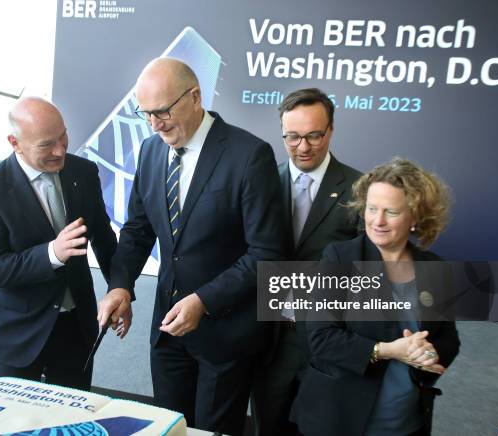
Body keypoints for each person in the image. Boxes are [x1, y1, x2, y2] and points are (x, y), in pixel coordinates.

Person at [97, 57, 285, 435]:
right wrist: (120, 285)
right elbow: (137, 229)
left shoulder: (249, 155)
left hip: (226, 334)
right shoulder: (151, 151)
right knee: (168, 426)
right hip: (167, 331)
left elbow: (267, 254)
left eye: (163, 111)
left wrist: (204, 301)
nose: (155, 123)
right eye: (146, 113)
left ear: (195, 97)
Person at [290, 157, 460, 435]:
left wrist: (426, 352)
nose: (377, 221)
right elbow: (320, 337)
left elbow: (449, 339)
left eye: (391, 212)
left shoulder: (435, 268)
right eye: (371, 209)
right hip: (339, 420)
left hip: (406, 422)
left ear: (414, 216)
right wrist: (389, 350)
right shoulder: (340, 257)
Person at [0, 96, 117, 390]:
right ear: (15, 142)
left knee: (72, 424)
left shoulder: (83, 173)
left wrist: (119, 289)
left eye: (63, 136)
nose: (60, 150)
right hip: (15, 337)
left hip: (76, 330)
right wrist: (52, 254)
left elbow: (102, 235)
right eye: (47, 144)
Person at [251, 88, 361, 436]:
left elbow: (368, 273)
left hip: (327, 343)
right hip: (268, 340)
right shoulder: (260, 183)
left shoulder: (360, 190)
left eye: (314, 135)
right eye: (293, 137)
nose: (303, 146)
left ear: (330, 130)